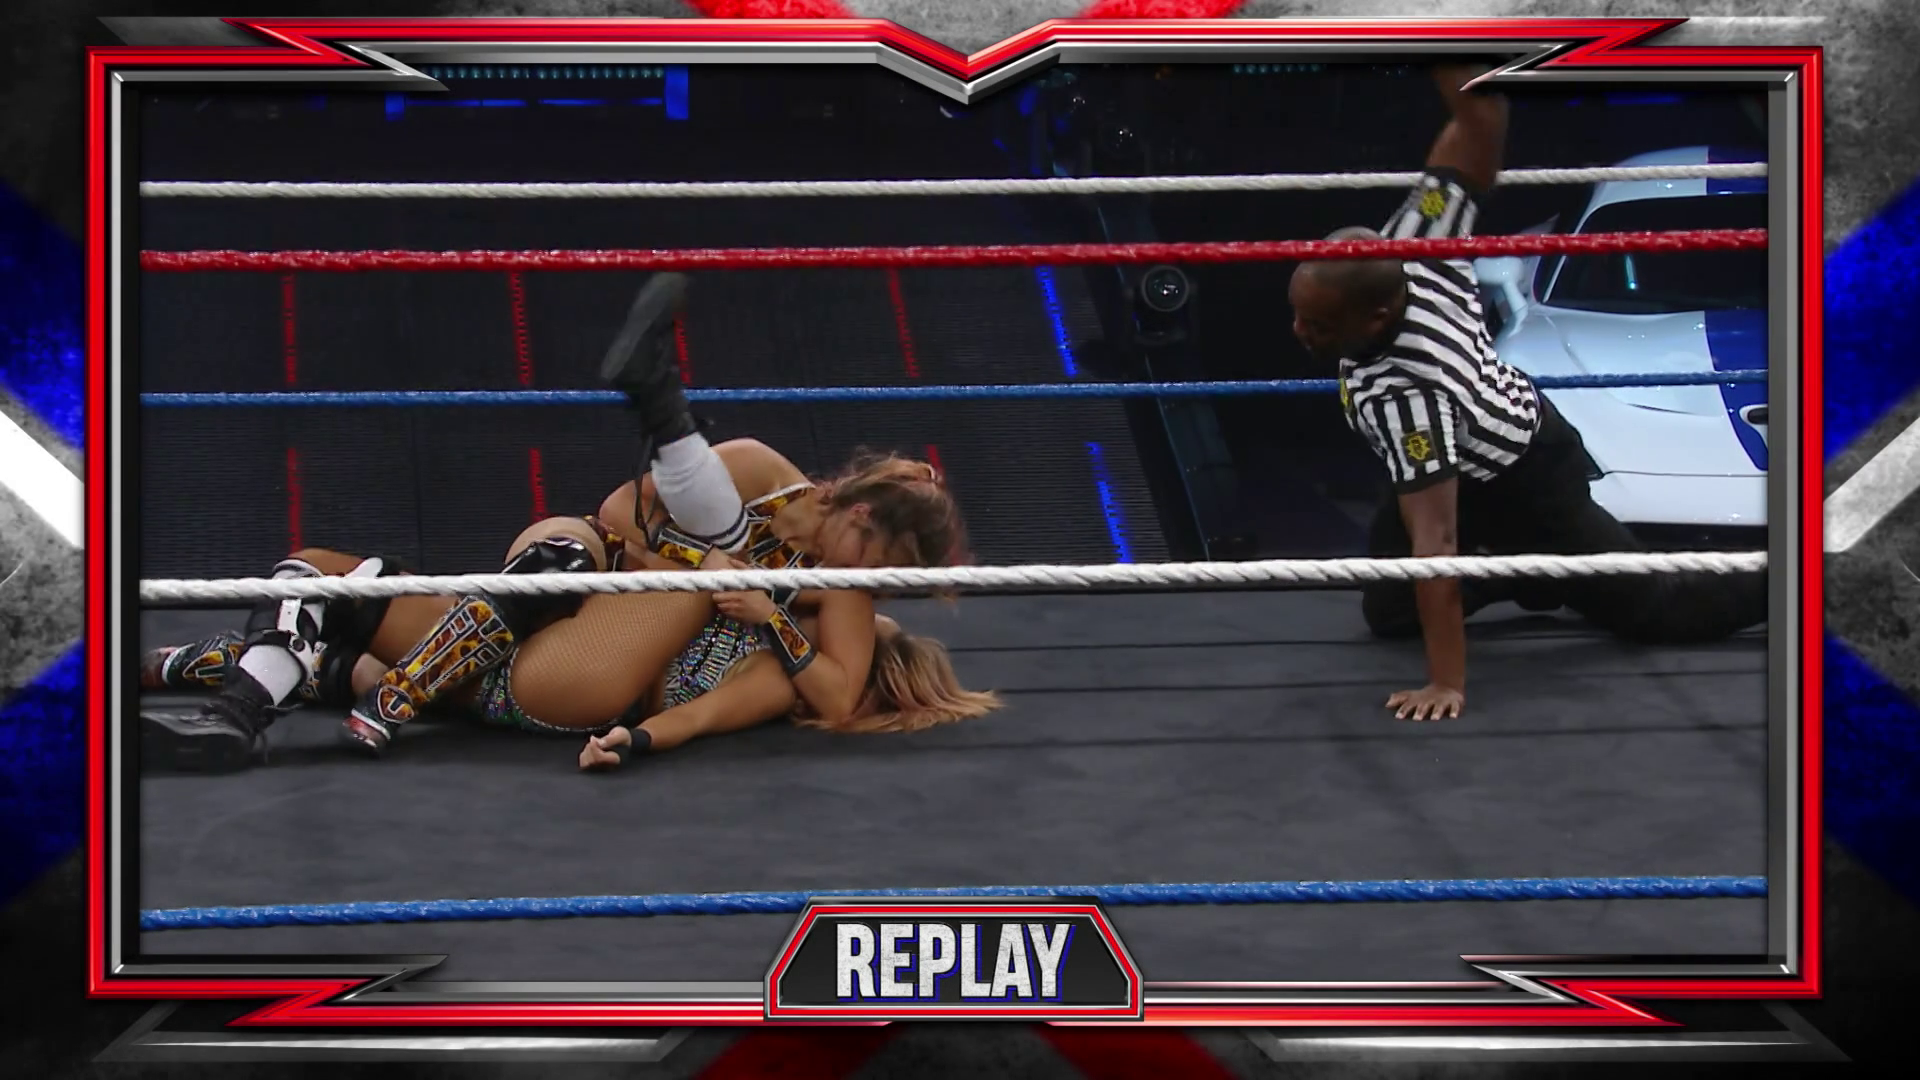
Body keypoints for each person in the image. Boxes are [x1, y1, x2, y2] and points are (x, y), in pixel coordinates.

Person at [141, 273, 994, 769]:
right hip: (567, 590)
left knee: (671, 570)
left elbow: (827, 696)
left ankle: (663, 408)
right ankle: (232, 706)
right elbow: (620, 514)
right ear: (855, 508)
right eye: (875, 552)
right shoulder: (763, 477)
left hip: (580, 652)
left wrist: (740, 619)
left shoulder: (815, 620)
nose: (872, 582)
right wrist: (700, 577)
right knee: (320, 576)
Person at [1284, 63, 1767, 723]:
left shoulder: (1408, 397)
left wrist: (1446, 683)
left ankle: (1795, 578)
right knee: (1389, 610)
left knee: (1659, 610)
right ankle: (1520, 570)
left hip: (1525, 474)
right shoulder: (1421, 239)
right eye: (1299, 315)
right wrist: (1461, 65)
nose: (1300, 333)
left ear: (1375, 319)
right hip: (1463, 453)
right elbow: (1477, 128)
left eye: (1318, 325)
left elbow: (1437, 543)